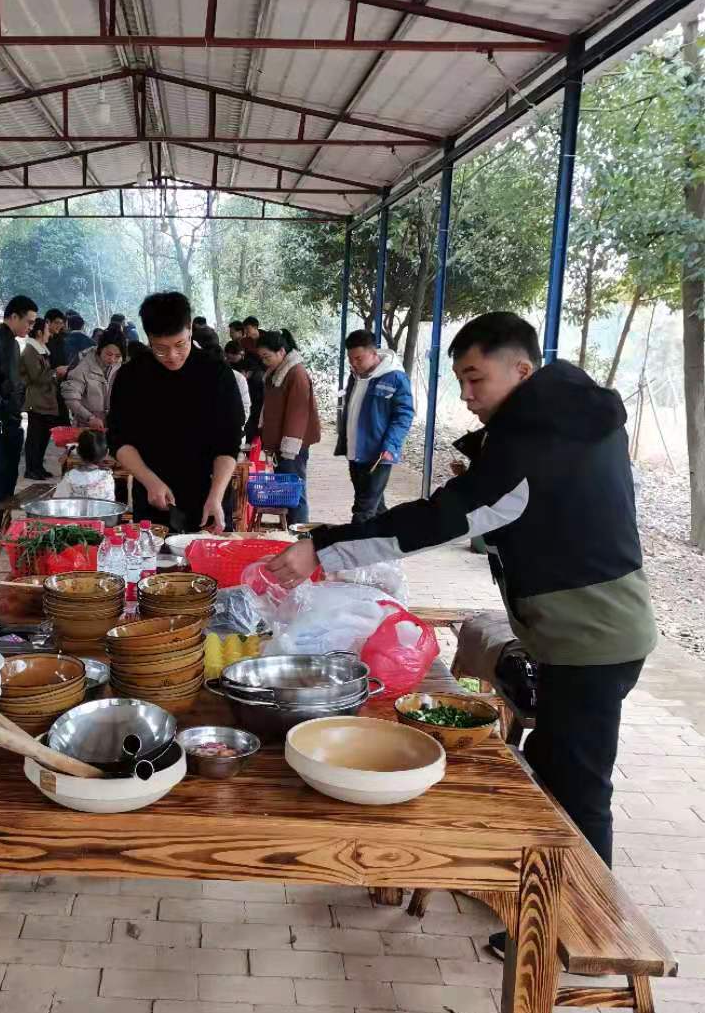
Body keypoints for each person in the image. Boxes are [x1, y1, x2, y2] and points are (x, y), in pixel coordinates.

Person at [266, 312, 657, 930]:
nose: (467, 395)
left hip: (590, 637)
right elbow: (524, 504)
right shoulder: (564, 414)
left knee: (578, 785)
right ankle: (534, 893)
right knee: (552, 765)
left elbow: (443, 520)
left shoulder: (538, 435)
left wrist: (323, 546)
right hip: (582, 627)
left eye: (477, 379)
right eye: (461, 381)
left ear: (522, 370)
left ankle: (573, 924)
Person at [108, 291, 243, 531]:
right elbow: (119, 439)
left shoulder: (217, 373)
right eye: (160, 348)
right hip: (153, 498)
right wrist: (149, 481)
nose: (172, 356)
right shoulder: (131, 376)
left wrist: (216, 495)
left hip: (210, 498)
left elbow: (228, 442)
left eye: (180, 344)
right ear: (148, 338)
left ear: (190, 329)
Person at [335, 328, 415, 523]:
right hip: (355, 452)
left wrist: (391, 444)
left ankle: (353, 549)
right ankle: (391, 542)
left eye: (359, 359)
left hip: (378, 453)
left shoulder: (395, 377)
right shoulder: (355, 376)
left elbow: (404, 415)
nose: (354, 364)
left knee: (363, 509)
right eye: (350, 359)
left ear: (374, 353)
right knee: (376, 507)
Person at [0, 293, 37, 536]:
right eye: (29, 321)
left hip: (11, 418)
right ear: (13, 316)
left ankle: (1, 522)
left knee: (10, 473)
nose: (31, 327)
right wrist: (0, 412)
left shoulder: (13, 343)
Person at [256, 329, 321, 525]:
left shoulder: (296, 373)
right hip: (281, 447)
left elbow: (298, 414)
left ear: (281, 352)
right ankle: (290, 534)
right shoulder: (277, 372)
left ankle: (299, 537)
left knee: (295, 494)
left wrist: (288, 449)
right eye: (261, 357)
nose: (264, 362)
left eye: (267, 357)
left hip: (293, 447)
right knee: (287, 493)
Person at [21, 315, 60, 480]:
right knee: (35, 437)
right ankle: (31, 469)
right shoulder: (30, 351)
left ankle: (38, 467)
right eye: (46, 330)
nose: (49, 334)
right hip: (36, 401)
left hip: (45, 400)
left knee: (43, 436)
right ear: (38, 333)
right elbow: (37, 377)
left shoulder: (41, 350)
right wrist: (56, 373)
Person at [62, 328, 126, 428]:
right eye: (109, 354)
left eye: (117, 356)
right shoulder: (83, 364)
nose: (112, 359)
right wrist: (89, 417)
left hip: (112, 426)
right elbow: (71, 397)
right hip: (86, 427)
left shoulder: (120, 365)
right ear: (100, 348)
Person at [53, 429, 115, 502]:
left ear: (78, 452)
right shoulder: (107, 477)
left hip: (75, 513)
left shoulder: (70, 477)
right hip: (101, 513)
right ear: (107, 453)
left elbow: (57, 501)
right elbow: (110, 503)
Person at [224, 339, 260, 445]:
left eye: (231, 356)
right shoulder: (228, 367)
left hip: (251, 404)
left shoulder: (252, 365)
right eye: (227, 357)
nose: (229, 359)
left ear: (240, 353)